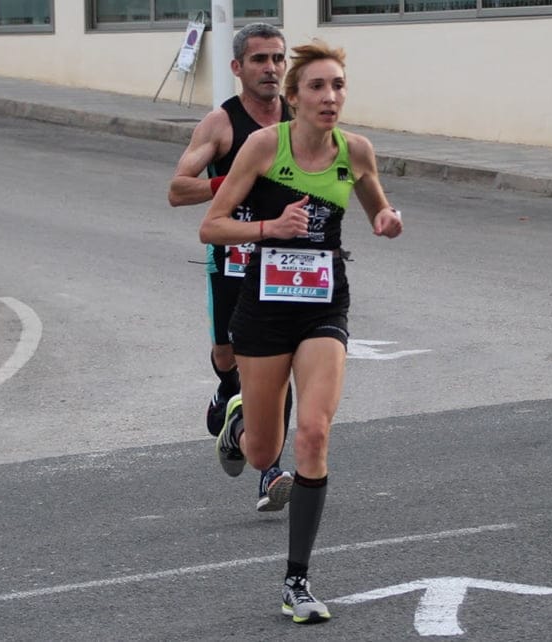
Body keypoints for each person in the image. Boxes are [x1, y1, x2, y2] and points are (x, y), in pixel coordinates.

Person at [199, 39, 403, 624]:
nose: (330, 96)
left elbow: (377, 211)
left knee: (312, 432)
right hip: (262, 310)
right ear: (293, 98)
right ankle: (242, 423)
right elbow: (210, 228)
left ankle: (298, 581)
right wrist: (269, 227)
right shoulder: (265, 147)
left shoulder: (356, 151)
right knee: (265, 449)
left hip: (322, 305)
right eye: (316, 86)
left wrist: (387, 220)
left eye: (338, 86)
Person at [168, 23, 296, 513]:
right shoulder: (221, 124)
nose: (271, 68)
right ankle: (226, 397)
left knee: (275, 368)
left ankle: (269, 471)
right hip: (232, 263)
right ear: (237, 67)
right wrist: (235, 177)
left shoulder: (299, 118)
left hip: (285, 266)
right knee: (228, 358)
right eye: (260, 59)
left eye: (278, 59)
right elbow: (178, 191)